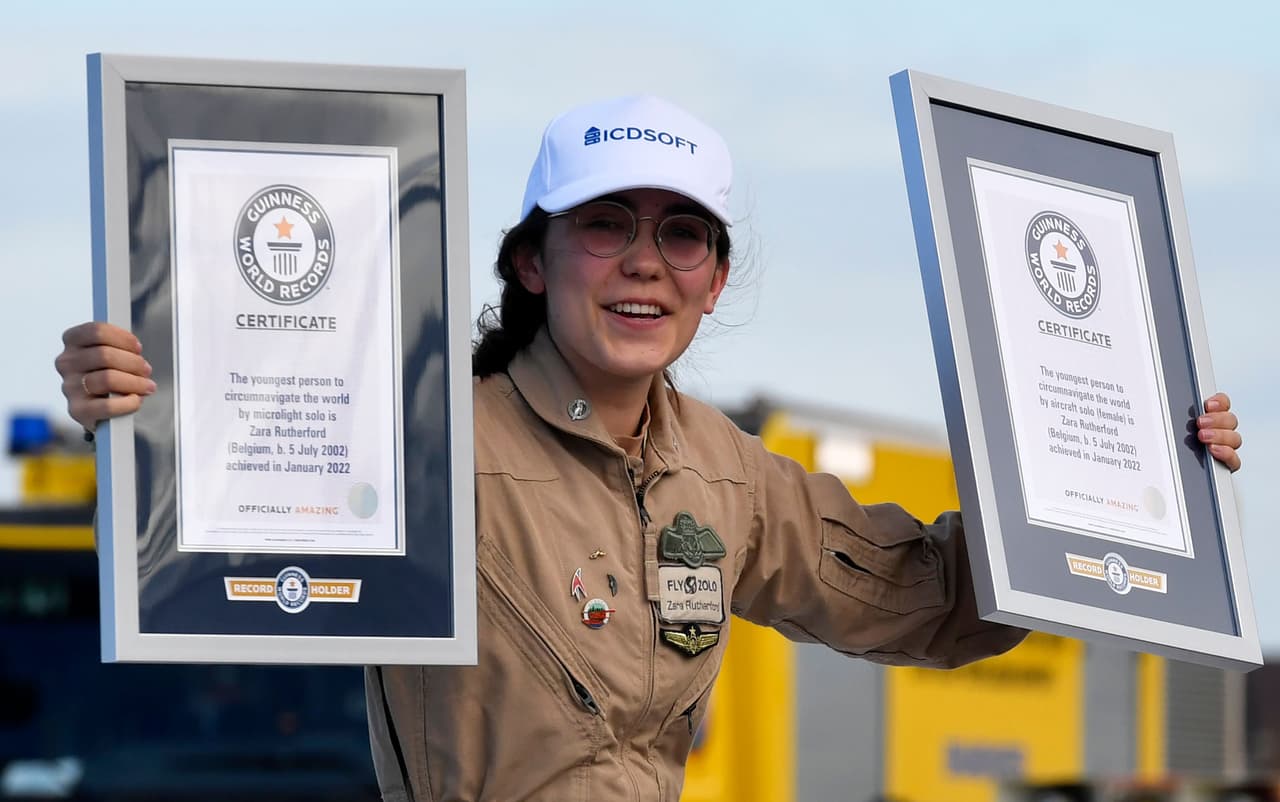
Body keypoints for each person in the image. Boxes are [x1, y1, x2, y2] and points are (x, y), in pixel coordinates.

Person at [55, 95, 1244, 802]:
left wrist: (1141, 471)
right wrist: (136, 409)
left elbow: (927, 598)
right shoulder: (417, 439)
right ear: (530, 260)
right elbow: (205, 530)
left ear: (714, 280)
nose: (643, 261)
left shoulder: (728, 475)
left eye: (681, 234)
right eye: (604, 224)